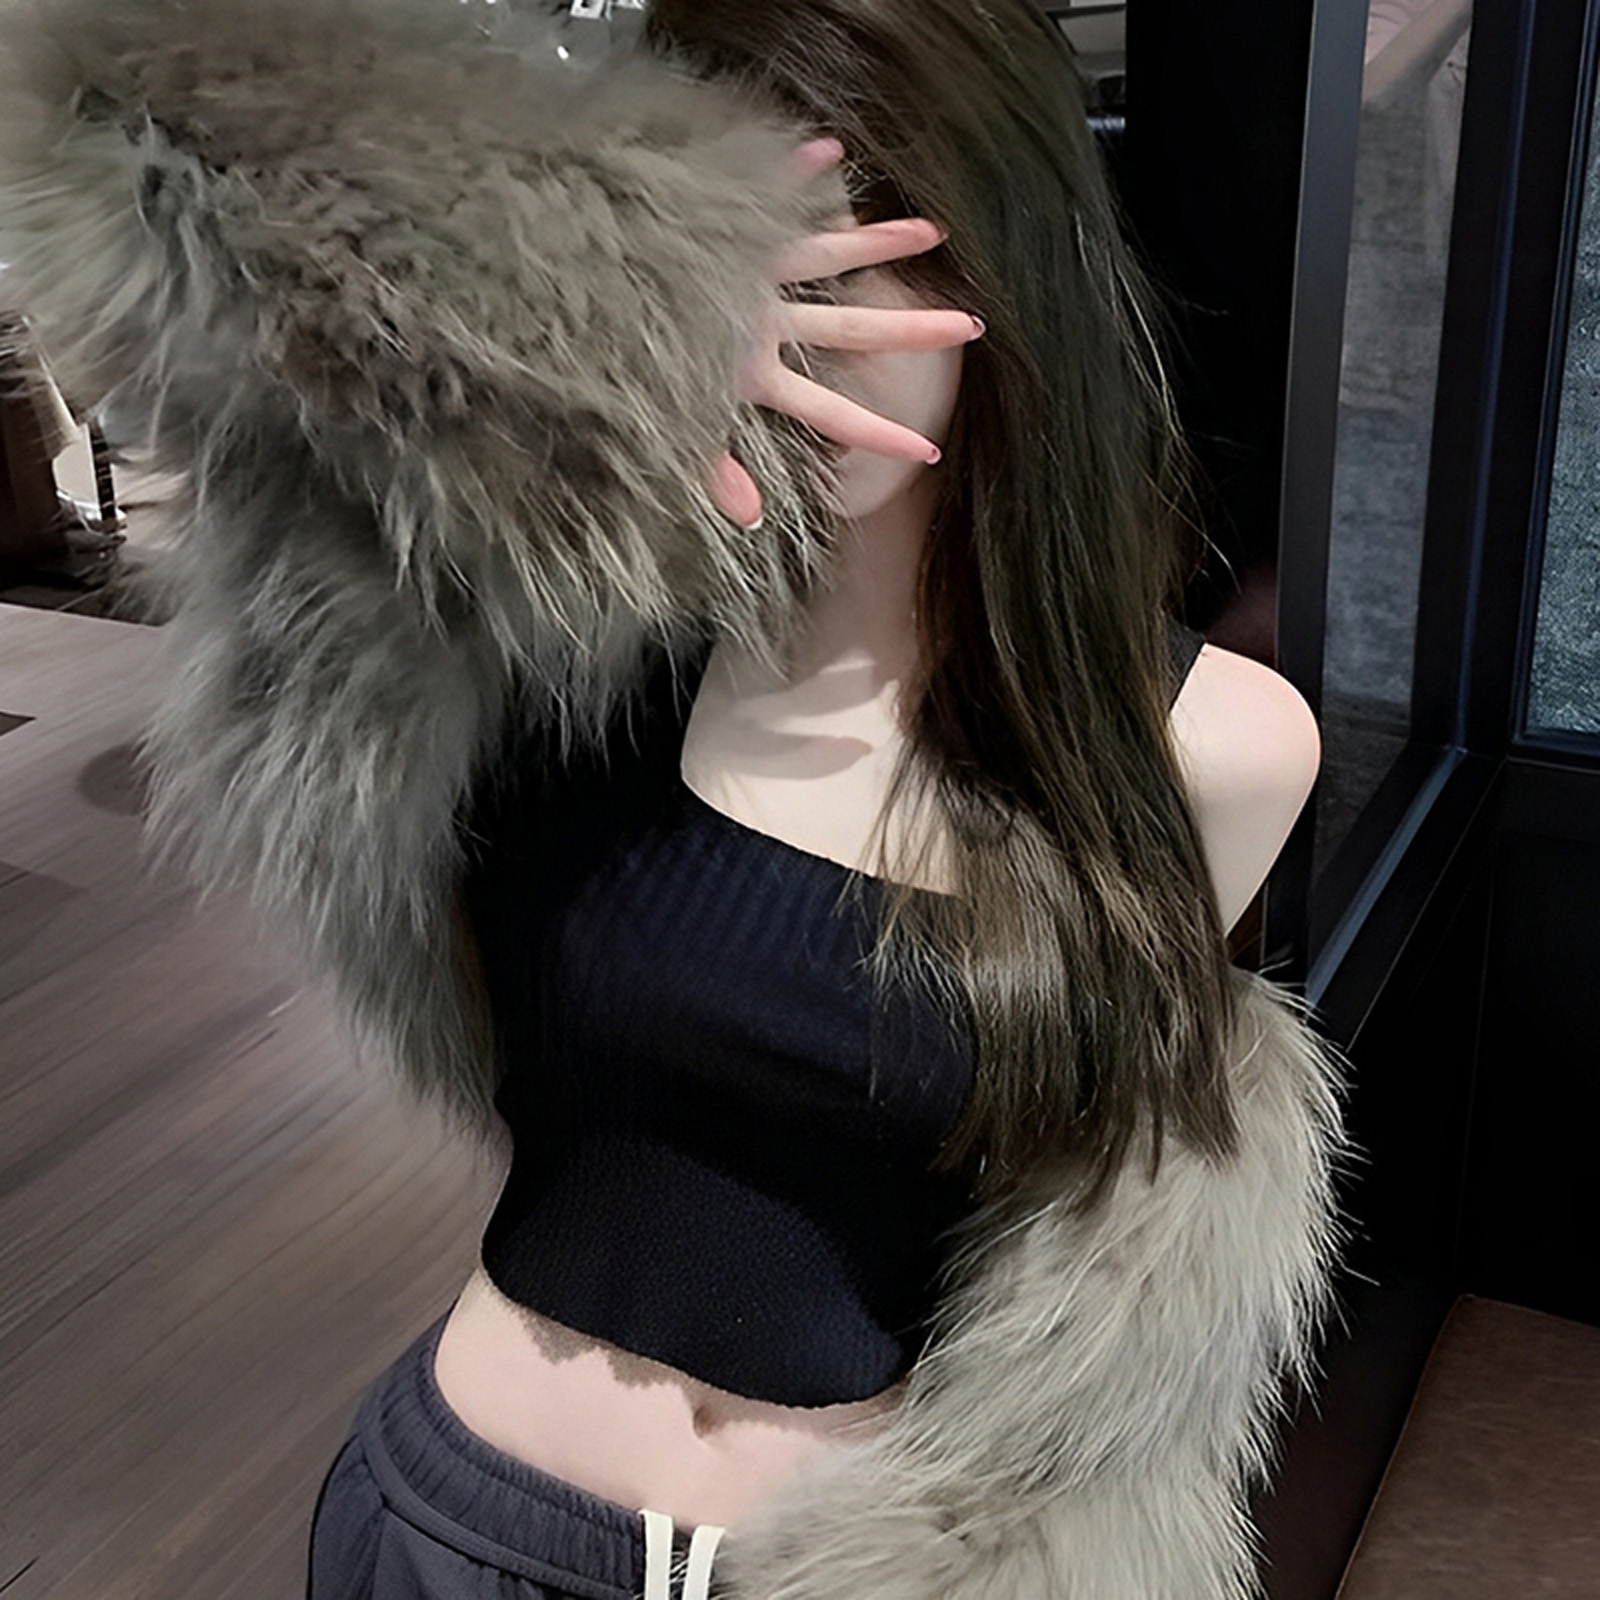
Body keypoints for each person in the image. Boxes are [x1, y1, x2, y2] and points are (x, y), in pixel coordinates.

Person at [0, 2, 1345, 1597]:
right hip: (460, 1528)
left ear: (1003, 271)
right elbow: (101, 112)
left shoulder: (1218, 749)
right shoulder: (554, 648)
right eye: (714, 273)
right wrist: (562, 320)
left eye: (832, 271)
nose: (785, 346)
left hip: (842, 1569)